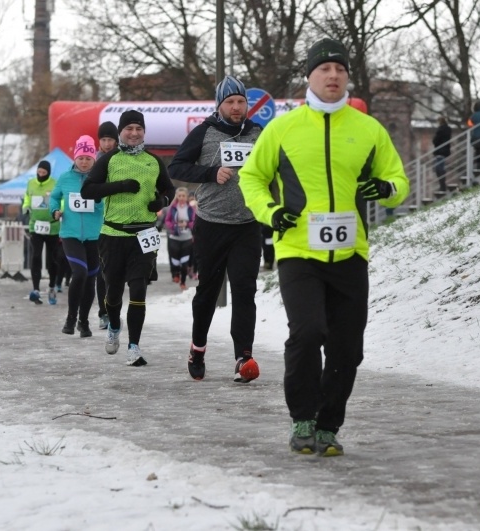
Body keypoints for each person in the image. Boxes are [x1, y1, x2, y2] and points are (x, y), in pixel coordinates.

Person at [238, 38, 409, 456]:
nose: (333, 75)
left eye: (340, 69)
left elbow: (398, 183)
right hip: (298, 251)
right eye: (324, 69)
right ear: (309, 77)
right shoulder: (283, 128)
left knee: (348, 347)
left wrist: (385, 188)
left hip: (351, 254)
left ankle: (329, 425)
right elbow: (251, 177)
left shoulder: (369, 129)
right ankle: (303, 419)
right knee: (308, 331)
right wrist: (271, 211)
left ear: (346, 76)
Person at [168, 75, 263, 383]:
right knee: (207, 292)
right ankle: (198, 348)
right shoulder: (204, 132)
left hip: (247, 225)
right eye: (230, 102)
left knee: (245, 290)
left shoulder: (257, 133)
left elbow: (273, 167)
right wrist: (211, 172)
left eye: (241, 102)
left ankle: (243, 357)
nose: (236, 108)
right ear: (220, 105)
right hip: (211, 225)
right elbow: (177, 167)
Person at [81, 110, 176, 366]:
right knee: (113, 292)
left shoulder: (153, 161)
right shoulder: (109, 160)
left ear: (144, 132)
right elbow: (88, 190)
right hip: (113, 234)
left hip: (144, 234)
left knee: (138, 289)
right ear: (121, 132)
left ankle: (134, 346)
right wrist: (120, 186)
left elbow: (169, 188)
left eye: (138, 129)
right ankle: (113, 325)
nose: (134, 133)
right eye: (129, 129)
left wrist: (162, 200)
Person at [50, 135, 104, 338]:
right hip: (70, 234)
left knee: (90, 279)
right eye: (80, 158)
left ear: (93, 160)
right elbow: (54, 197)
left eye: (88, 158)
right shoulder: (65, 178)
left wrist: (97, 199)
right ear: (75, 158)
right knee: (79, 273)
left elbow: (104, 204)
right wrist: (55, 210)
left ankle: (84, 321)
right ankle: (71, 318)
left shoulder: (99, 179)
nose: (84, 162)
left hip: (93, 236)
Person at [23, 159, 61, 305]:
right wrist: (25, 207)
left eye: (44, 173)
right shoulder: (31, 183)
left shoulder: (55, 183)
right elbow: (27, 196)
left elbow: (60, 199)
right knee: (36, 256)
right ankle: (36, 289)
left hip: (52, 226)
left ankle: (52, 287)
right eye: (39, 172)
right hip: (36, 226)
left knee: (52, 258)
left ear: (48, 173)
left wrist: (59, 210)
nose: (41, 175)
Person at [94, 121, 119, 330]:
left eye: (110, 139)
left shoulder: (121, 159)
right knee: (102, 271)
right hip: (98, 222)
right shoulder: (92, 161)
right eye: (103, 139)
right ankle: (103, 312)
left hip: (118, 219)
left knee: (114, 272)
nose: (107, 143)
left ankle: (113, 309)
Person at [163, 187, 196, 290]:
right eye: (179, 196)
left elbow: (194, 221)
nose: (181, 198)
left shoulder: (190, 209)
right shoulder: (172, 208)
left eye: (183, 196)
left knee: (185, 261)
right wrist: (174, 226)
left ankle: (183, 282)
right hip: (175, 237)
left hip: (187, 237)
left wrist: (187, 224)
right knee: (175, 260)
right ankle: (176, 273)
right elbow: (167, 221)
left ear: (186, 197)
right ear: (177, 197)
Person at [432, 116, 451, 193]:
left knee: (439, 169)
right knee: (439, 168)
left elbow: (435, 140)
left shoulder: (440, 129)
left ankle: (442, 186)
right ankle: (442, 186)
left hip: (440, 151)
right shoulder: (448, 129)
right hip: (444, 150)